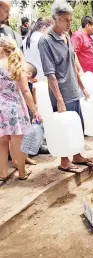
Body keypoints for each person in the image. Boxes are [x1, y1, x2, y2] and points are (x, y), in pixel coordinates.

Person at [38, 0, 93, 173]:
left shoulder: (66, 36)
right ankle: (64, 161)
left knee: (77, 125)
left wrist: (82, 86)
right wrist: (60, 100)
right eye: (65, 20)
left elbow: (72, 63)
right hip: (60, 91)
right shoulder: (45, 41)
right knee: (65, 128)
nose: (69, 24)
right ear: (55, 19)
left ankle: (77, 156)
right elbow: (50, 74)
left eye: (71, 20)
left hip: (73, 89)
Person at [0, 37, 42, 182]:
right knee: (18, 143)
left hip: (0, 109)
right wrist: (35, 111)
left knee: (2, 143)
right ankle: (22, 172)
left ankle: (3, 174)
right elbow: (25, 91)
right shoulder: (17, 66)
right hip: (15, 109)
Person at [23, 17, 54, 81]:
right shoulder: (43, 39)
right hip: (43, 78)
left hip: (30, 77)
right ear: (44, 27)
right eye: (51, 30)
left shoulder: (26, 39)